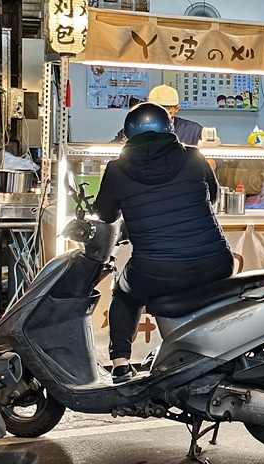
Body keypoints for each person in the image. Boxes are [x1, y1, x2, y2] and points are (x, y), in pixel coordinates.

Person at [93, 103, 233, 383]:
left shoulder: (117, 169)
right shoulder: (194, 157)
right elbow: (213, 198)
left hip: (155, 269)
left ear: (129, 134)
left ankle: (120, 363)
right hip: (215, 262)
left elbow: (105, 215)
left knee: (124, 292)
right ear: (169, 128)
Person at [113, 85, 204, 146]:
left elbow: (213, 159)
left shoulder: (193, 130)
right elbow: (112, 150)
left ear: (177, 108)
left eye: (168, 107)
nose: (163, 112)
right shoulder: (134, 127)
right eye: (158, 107)